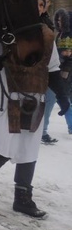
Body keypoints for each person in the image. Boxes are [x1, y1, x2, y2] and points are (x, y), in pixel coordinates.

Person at [0, 0, 70, 219]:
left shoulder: (47, 36)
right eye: (31, 2)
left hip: (36, 98)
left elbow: (53, 70)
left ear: (43, 9)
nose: (36, 7)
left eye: (41, 4)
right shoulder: (3, 32)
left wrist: (63, 99)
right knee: (7, 146)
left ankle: (22, 198)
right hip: (10, 97)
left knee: (29, 148)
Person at [42, 7, 72, 142]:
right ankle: (43, 131)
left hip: (62, 71)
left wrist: (58, 54)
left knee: (53, 99)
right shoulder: (60, 34)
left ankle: (42, 131)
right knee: (59, 99)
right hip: (58, 70)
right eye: (58, 20)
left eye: (61, 20)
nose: (59, 23)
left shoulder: (67, 34)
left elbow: (67, 53)